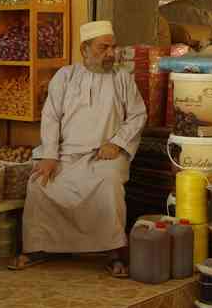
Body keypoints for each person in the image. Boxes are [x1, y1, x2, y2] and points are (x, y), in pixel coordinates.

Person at [9, 20, 147, 277]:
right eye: (102, 47)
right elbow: (50, 117)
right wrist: (50, 155)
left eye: (113, 47)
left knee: (109, 183)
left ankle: (114, 250)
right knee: (40, 183)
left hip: (104, 155)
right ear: (84, 49)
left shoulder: (122, 79)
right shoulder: (65, 76)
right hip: (66, 154)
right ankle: (40, 247)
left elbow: (137, 116)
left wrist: (117, 144)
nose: (110, 54)